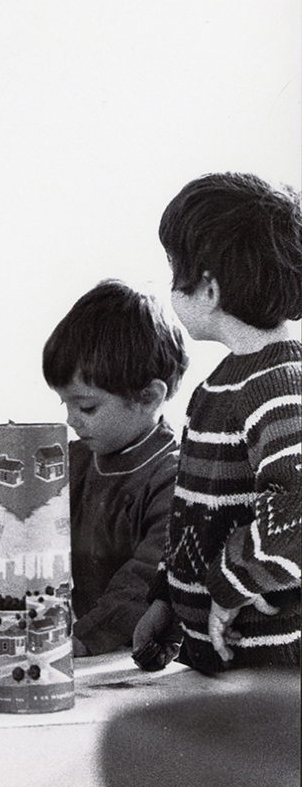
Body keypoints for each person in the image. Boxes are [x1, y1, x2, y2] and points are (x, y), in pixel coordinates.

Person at [0, 280, 189, 656]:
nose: (72, 419)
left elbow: (146, 574)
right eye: (64, 405)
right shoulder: (70, 461)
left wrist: (85, 638)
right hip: (78, 646)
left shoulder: (174, 476)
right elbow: (19, 545)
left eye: (87, 407)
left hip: (134, 653)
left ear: (150, 396)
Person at [133, 172, 301, 675]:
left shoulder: (278, 386)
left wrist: (229, 585)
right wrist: (167, 601)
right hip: (224, 664)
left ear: (207, 287)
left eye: (173, 271)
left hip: (271, 676)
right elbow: (196, 515)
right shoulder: (220, 386)